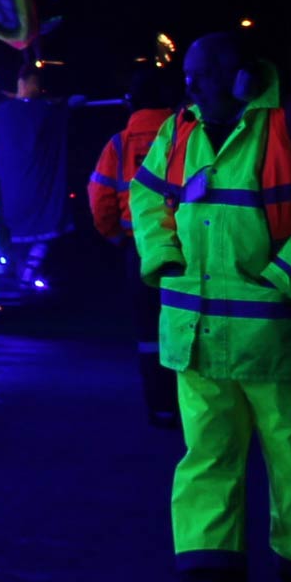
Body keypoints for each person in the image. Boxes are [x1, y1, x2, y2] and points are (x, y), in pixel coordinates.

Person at [129, 31, 291, 582]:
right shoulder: (179, 130)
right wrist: (164, 258)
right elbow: (146, 197)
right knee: (209, 464)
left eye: (203, 75)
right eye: (188, 76)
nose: (191, 86)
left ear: (241, 75)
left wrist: (286, 280)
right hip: (202, 339)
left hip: (280, 343)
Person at [87, 66, 185, 427]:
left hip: (139, 251)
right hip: (189, 248)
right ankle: (195, 411)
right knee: (192, 328)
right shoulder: (189, 137)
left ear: (131, 101)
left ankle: (161, 409)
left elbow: (100, 201)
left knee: (149, 334)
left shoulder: (119, 144)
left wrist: (118, 238)